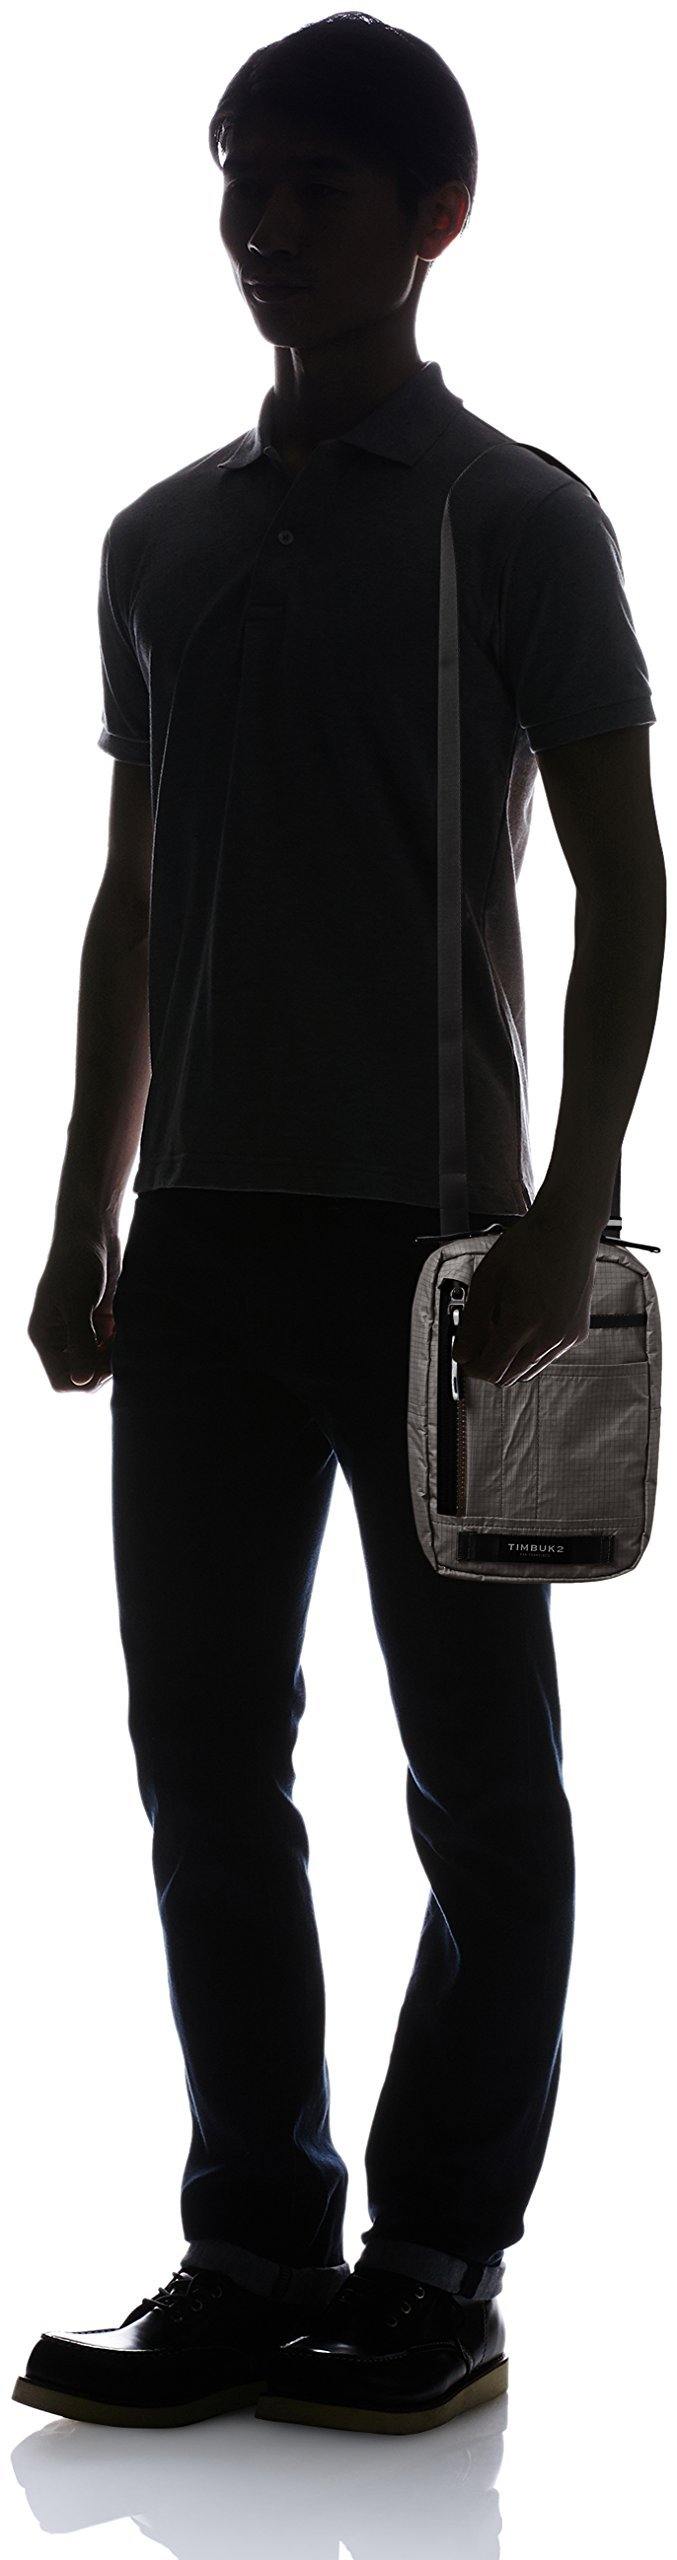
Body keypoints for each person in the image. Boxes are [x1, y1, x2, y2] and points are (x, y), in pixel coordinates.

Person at [18, 14, 666, 2436]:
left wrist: (570, 1205)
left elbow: (625, 882)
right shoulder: (157, 540)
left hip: (441, 1255)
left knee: (482, 1782)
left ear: (432, 219)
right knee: (205, 1760)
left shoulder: (520, 517)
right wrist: (82, 1205)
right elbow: (134, 889)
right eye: (241, 181)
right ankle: (253, 2242)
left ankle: (442, 2260)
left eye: (313, 184)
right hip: (199, 1248)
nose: (264, 223)